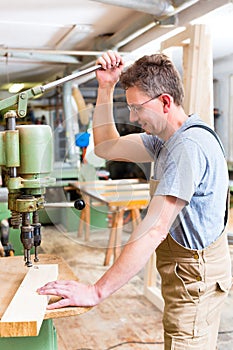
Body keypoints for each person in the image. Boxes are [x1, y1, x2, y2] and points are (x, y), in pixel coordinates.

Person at [38, 50, 232, 349]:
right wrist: (106, 87)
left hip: (196, 279)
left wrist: (97, 291)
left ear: (165, 102)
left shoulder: (187, 147)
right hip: (184, 274)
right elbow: (106, 146)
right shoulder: (166, 141)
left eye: (137, 107)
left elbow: (154, 229)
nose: (132, 117)